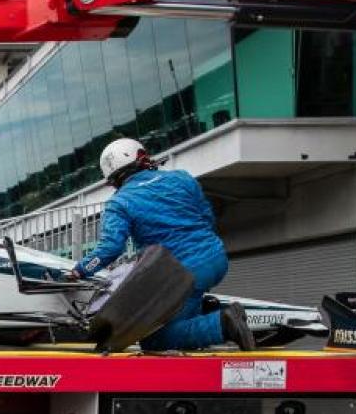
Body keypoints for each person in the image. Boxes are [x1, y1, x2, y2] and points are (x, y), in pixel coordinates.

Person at [71, 138, 256, 351]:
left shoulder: (119, 202)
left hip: (180, 273)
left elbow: (111, 248)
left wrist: (80, 270)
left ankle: (222, 323)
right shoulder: (182, 178)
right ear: (143, 158)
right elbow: (207, 217)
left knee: (155, 340)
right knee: (182, 315)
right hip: (215, 256)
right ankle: (205, 315)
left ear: (113, 180)